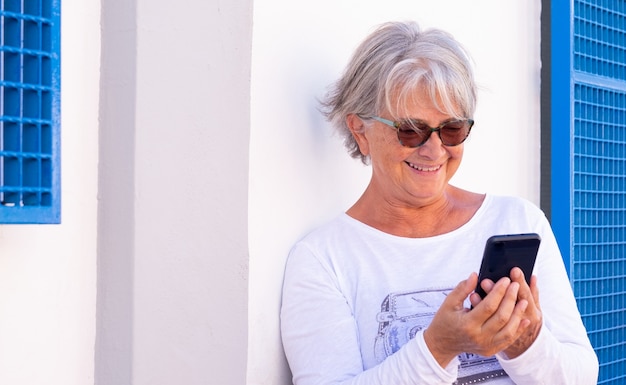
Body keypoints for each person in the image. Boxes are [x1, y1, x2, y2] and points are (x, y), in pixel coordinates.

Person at [280, 21, 599, 384]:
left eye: (452, 129)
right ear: (360, 131)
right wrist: (438, 348)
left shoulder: (518, 221)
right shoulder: (324, 259)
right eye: (411, 130)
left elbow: (581, 375)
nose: (434, 150)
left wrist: (525, 342)